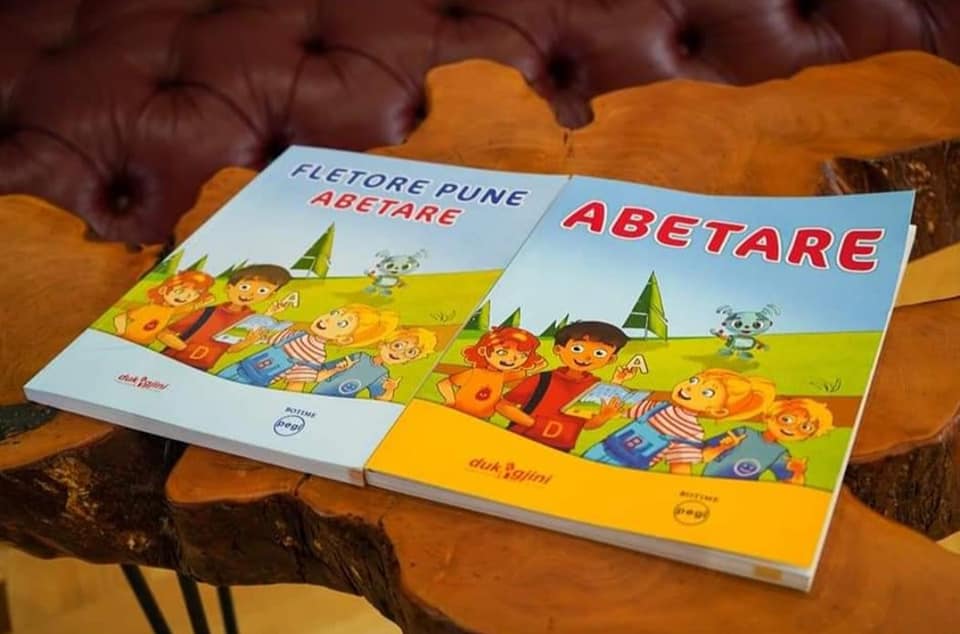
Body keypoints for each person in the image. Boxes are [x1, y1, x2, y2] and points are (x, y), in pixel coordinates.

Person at [582, 369, 776, 474]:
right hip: (598, 452)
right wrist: (616, 386)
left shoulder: (691, 431)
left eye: (707, 392)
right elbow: (617, 408)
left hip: (627, 470)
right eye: (694, 381)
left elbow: (681, 465)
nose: (691, 388)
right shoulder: (656, 407)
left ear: (717, 411)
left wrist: (722, 448)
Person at [498, 321, 637, 452]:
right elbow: (502, 405)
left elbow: (587, 425)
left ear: (611, 359)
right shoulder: (543, 379)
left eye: (599, 353)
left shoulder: (594, 386)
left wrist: (603, 416)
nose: (587, 357)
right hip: (522, 439)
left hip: (561, 447)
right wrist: (533, 423)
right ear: (559, 349)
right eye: (577, 348)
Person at [218, 304, 398, 392]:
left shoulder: (316, 355)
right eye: (335, 313)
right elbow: (262, 337)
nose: (329, 319)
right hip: (235, 368)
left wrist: (336, 370)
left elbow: (297, 383)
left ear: (344, 339)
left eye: (341, 323)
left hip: (253, 384)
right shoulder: (295, 334)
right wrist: (270, 313)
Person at [158, 264, 291, 370]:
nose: (250, 294)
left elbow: (231, 349)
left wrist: (247, 342)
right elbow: (164, 332)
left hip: (203, 366)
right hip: (173, 360)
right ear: (229, 287)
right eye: (245, 287)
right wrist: (183, 348)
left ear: (270, 295)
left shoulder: (250, 319)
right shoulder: (208, 311)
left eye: (262, 290)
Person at [700, 398, 833, 485]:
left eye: (805, 428)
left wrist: (798, 472)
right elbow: (701, 455)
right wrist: (724, 447)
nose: (792, 428)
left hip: (741, 494)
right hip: (709, 485)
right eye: (786, 419)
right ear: (769, 416)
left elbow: (790, 486)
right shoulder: (743, 433)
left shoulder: (780, 453)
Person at [437, 326, 545, 419]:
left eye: (522, 356)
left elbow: (525, 373)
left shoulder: (502, 376)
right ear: (483, 351)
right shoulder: (474, 373)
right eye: (502, 352)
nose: (511, 359)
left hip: (483, 419)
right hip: (458, 413)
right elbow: (444, 383)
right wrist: (450, 401)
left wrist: (536, 365)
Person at [312, 327, 437, 400]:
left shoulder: (382, 373)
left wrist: (390, 390)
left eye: (410, 352)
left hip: (342, 404)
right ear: (383, 344)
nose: (399, 353)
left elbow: (379, 400)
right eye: (398, 345)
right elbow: (317, 376)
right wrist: (337, 369)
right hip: (316, 396)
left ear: (408, 360)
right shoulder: (359, 357)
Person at [113, 271, 214, 345]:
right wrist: (120, 332)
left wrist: (202, 303)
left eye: (192, 295)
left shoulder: (171, 310)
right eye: (179, 291)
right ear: (163, 290)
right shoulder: (150, 308)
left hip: (144, 344)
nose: (184, 297)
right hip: (126, 340)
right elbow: (121, 317)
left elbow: (189, 307)